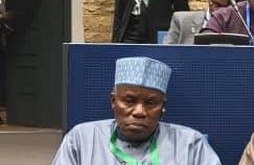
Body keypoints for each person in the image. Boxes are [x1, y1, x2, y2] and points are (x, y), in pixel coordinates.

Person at [52, 57, 220, 164]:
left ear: (163, 107)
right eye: (129, 101)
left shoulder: (190, 144)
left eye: (151, 102)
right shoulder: (82, 139)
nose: (139, 112)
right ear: (113, 102)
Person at [164, 0, 229, 45]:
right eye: (217, 5)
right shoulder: (181, 21)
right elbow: (166, 51)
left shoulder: (237, 22)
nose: (221, 11)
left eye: (226, 6)